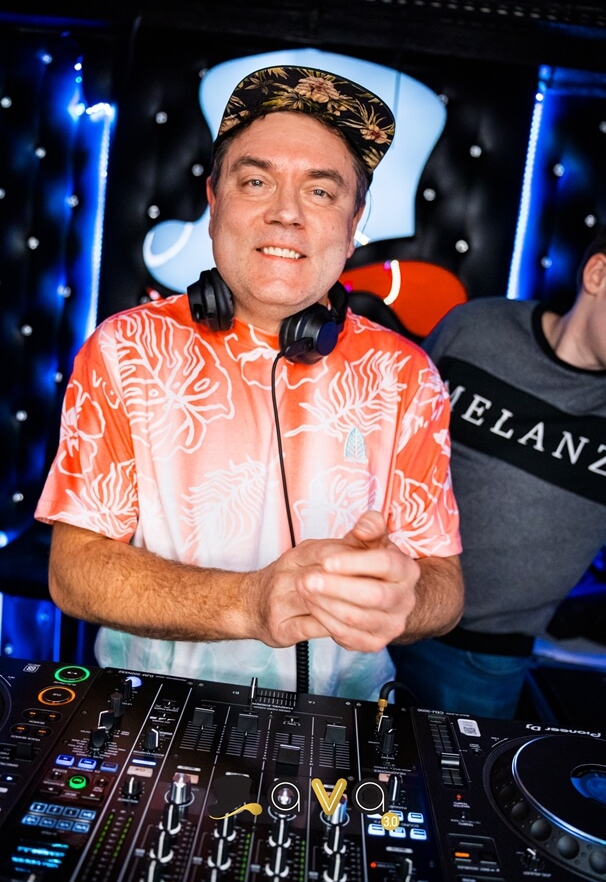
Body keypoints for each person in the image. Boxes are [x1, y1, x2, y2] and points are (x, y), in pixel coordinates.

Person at [35, 65, 463, 700]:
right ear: (214, 202)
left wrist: (407, 597)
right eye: (256, 181)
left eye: (321, 192)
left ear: (354, 224)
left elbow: (444, 586)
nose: (286, 213)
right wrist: (249, 602)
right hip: (149, 711)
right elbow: (73, 572)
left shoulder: (407, 375)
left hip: (338, 722)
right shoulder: (123, 350)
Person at [390, 225, 606, 718]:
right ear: (597, 275)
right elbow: (390, 437)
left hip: (481, 657)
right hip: (375, 608)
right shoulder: (478, 329)